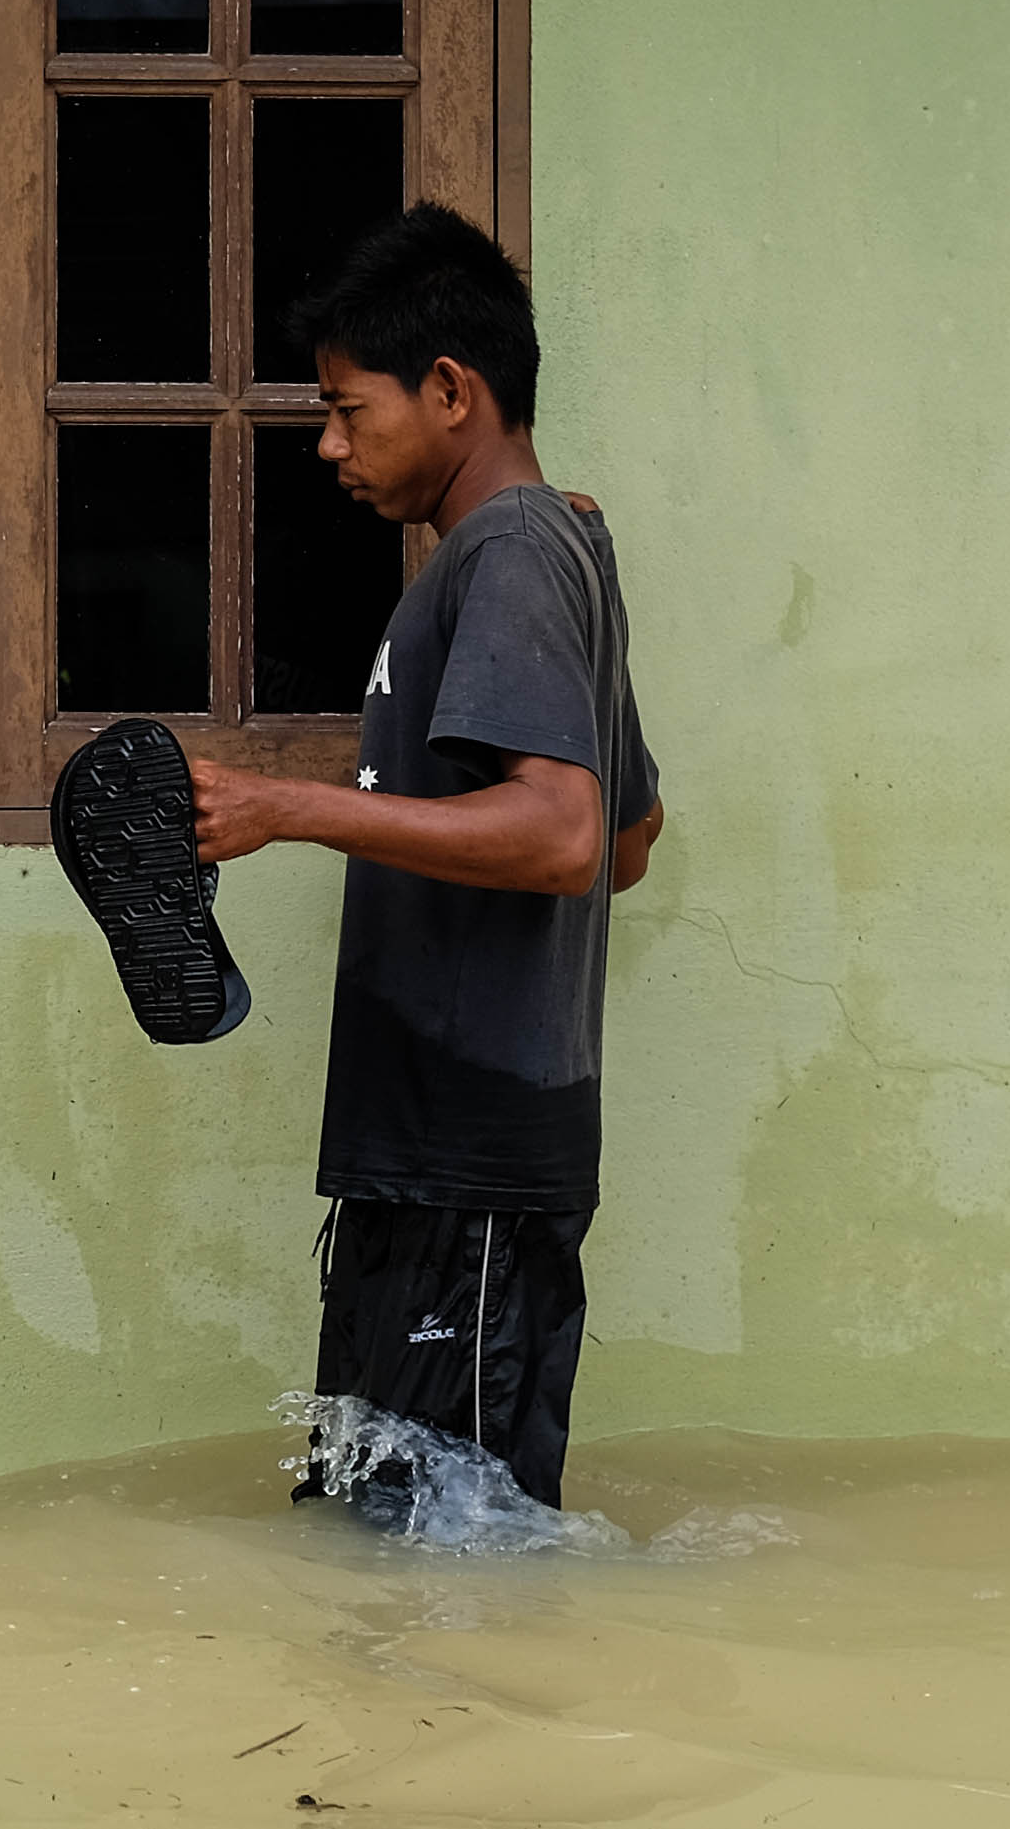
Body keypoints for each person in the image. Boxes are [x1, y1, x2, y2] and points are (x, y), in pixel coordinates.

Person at [188, 205, 662, 1516]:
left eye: (348, 407)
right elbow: (625, 839)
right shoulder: (547, 549)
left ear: (450, 390)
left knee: (446, 1584)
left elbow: (566, 837)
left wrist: (293, 807)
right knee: (396, 1547)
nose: (328, 442)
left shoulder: (508, 553)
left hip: (471, 1177)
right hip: (447, 1169)